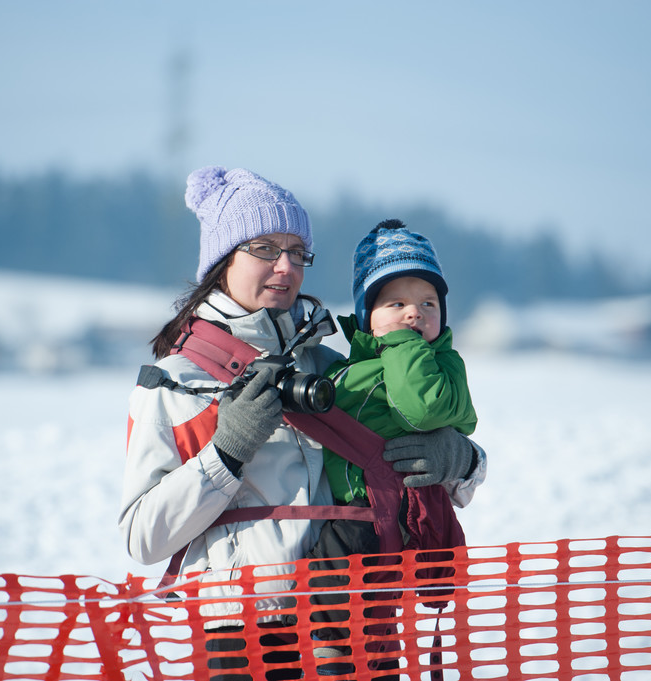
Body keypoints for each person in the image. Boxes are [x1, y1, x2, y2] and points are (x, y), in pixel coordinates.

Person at [118, 167, 486, 681]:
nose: (286, 267)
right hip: (242, 633)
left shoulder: (332, 368)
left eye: (298, 252)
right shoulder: (175, 383)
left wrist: (462, 460)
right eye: (265, 249)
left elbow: (410, 474)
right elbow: (142, 537)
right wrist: (226, 453)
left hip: (356, 622)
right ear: (223, 260)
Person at [306, 218, 484, 676]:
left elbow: (424, 411)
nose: (414, 314)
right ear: (367, 314)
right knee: (360, 599)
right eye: (397, 303)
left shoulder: (436, 362)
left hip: (389, 514)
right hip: (360, 511)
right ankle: (340, 650)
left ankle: (333, 653)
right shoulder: (353, 367)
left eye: (428, 303)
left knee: (340, 558)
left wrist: (403, 344)